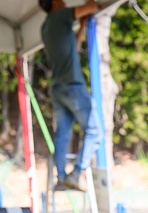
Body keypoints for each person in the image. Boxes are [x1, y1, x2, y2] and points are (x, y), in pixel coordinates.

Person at [38, 0, 101, 192]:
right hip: (73, 85)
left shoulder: (46, 26)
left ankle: (61, 178)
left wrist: (82, 25)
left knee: (63, 137)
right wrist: (86, 9)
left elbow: (73, 46)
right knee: (94, 132)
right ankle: (76, 173)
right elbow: (93, 6)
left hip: (58, 88)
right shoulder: (61, 14)